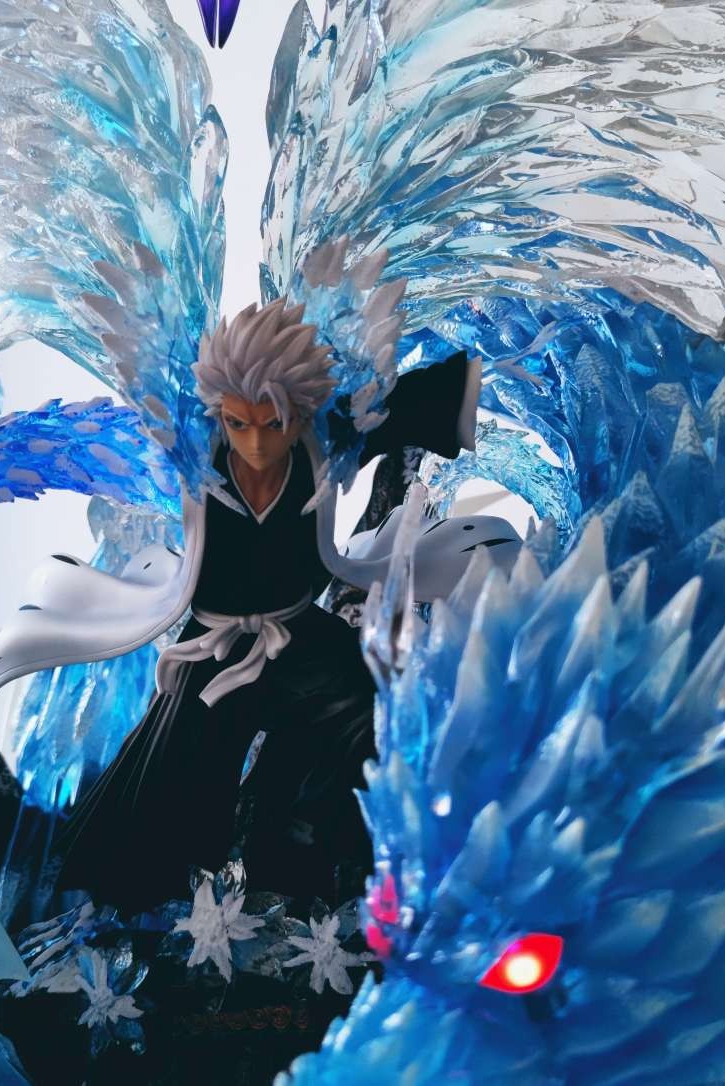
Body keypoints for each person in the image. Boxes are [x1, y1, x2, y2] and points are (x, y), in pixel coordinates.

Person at [52, 297, 482, 912]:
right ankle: (146, 913)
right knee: (164, 800)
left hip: (297, 635)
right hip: (214, 652)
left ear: (301, 411)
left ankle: (329, 873)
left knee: (378, 715)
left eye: (273, 424)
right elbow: (69, 448)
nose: (255, 442)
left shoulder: (326, 437)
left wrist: (497, 360)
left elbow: (417, 403)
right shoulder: (190, 452)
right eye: (237, 423)